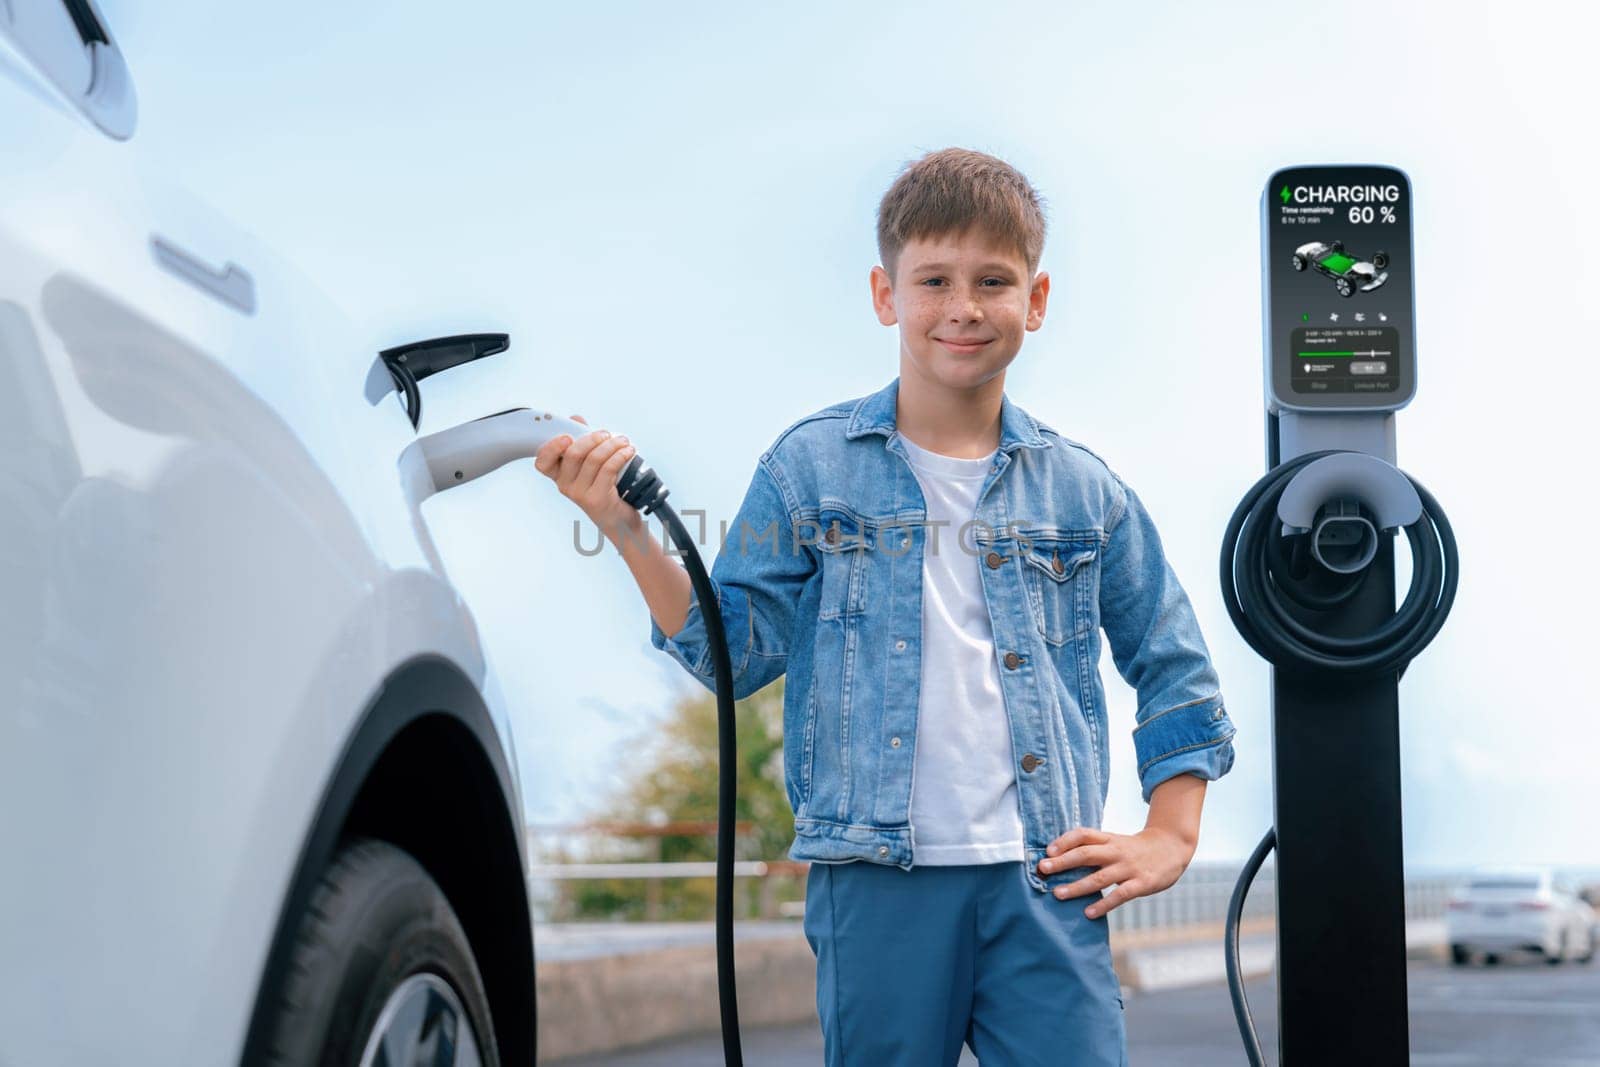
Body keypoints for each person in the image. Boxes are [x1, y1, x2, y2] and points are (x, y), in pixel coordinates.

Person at [533, 146, 1236, 1066]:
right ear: (885, 293)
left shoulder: (1085, 491)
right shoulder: (808, 468)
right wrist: (628, 533)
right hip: (874, 885)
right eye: (934, 279)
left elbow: (1172, 659)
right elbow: (731, 654)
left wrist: (1171, 832)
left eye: (994, 280)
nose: (963, 307)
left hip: (1050, 878)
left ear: (1036, 299)